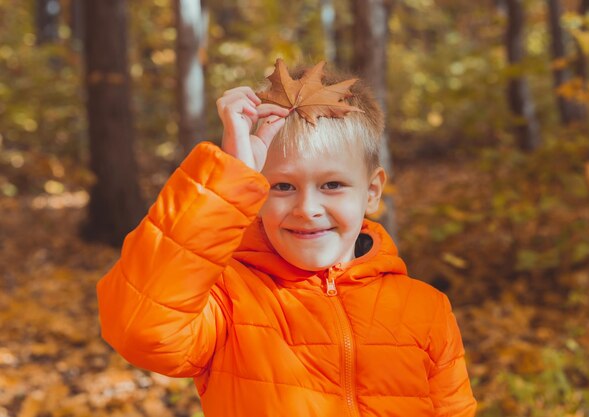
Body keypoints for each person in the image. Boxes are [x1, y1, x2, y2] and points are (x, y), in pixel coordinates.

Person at [97, 60, 477, 417]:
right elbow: (139, 328)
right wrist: (228, 180)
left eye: (332, 184)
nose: (306, 207)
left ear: (373, 191)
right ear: (256, 189)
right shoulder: (229, 300)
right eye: (281, 186)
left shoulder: (426, 310)